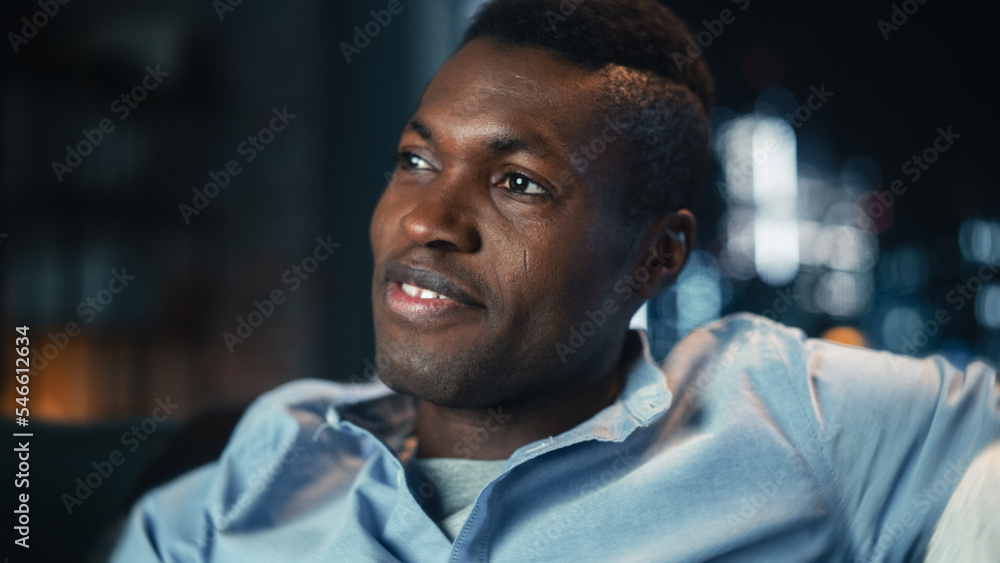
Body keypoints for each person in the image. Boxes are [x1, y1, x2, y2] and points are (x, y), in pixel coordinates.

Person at [112, 0, 999, 561]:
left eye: (519, 183)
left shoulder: (784, 411)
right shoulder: (272, 455)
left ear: (658, 256)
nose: (428, 221)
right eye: (417, 159)